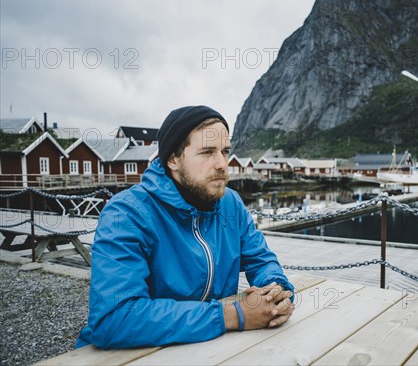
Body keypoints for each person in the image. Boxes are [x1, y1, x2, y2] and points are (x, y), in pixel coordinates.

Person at [76, 105, 295, 349]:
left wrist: (278, 294)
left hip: (210, 347)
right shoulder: (127, 213)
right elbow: (114, 318)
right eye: (207, 152)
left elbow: (262, 260)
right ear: (173, 159)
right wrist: (232, 315)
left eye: (225, 151)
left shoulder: (230, 204)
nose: (222, 163)